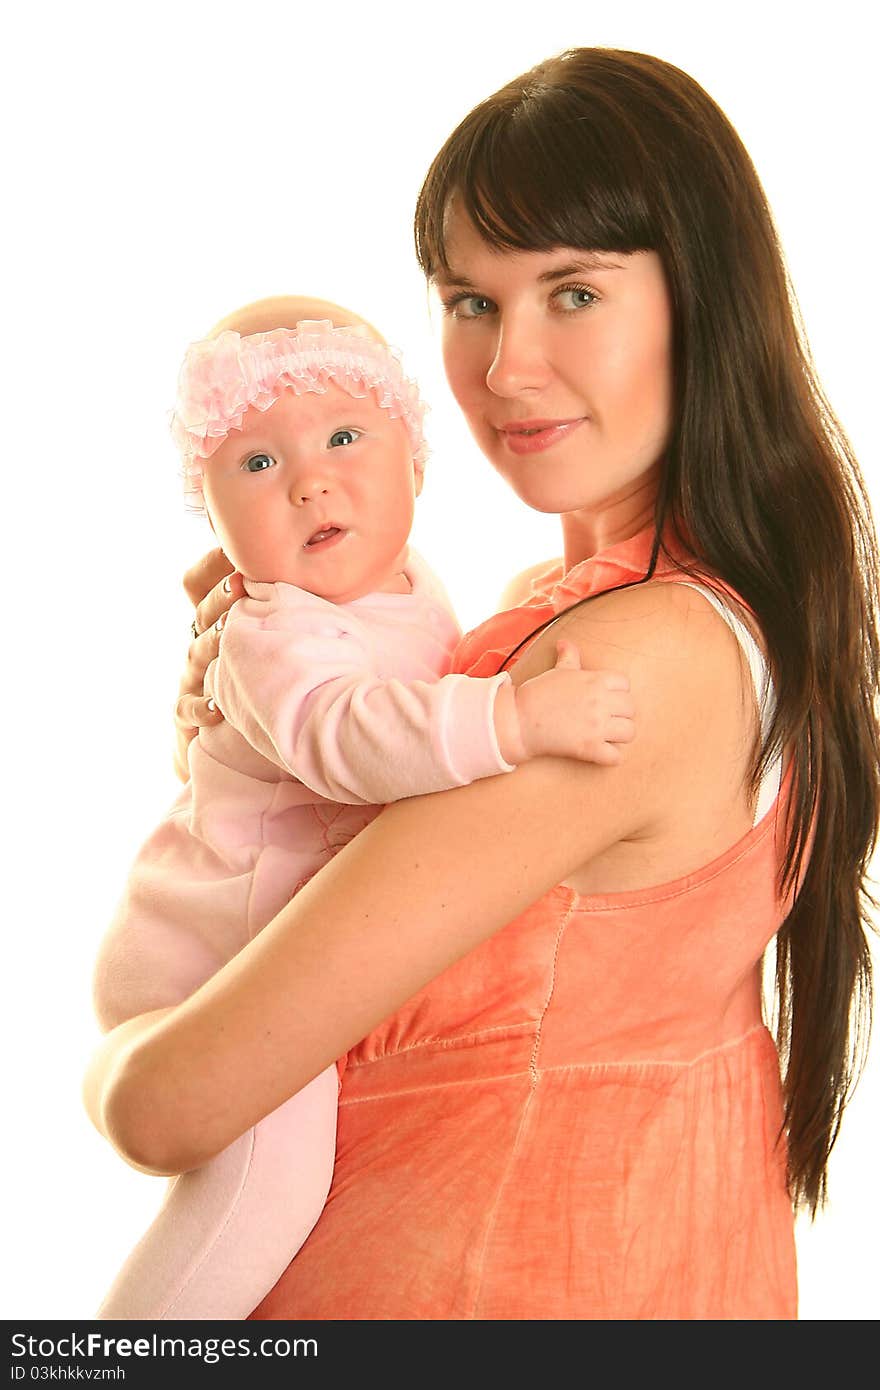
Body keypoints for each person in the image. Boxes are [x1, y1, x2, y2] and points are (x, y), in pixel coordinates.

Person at [83, 48, 879, 1319]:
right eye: (468, 301)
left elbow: (171, 1103)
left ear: (700, 299)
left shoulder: (623, 659)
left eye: (572, 292)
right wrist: (255, 705)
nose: (506, 366)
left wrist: (112, 1057)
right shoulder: (594, 612)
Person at [89, 295, 633, 1320]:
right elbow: (352, 739)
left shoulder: (403, 580)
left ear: (416, 465)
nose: (311, 480)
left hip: (283, 955)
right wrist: (515, 720)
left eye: (345, 436)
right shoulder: (270, 631)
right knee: (260, 1192)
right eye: (257, 465)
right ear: (212, 515)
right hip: (214, 968)